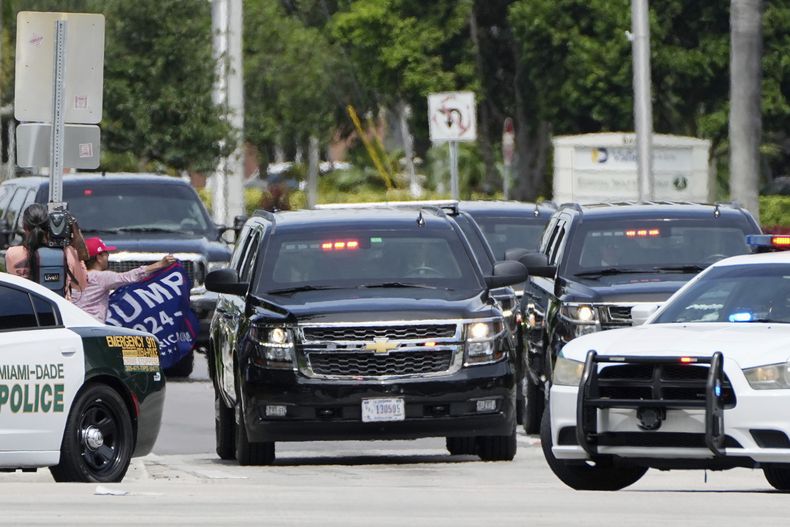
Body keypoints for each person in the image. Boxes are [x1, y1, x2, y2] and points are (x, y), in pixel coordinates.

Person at [75, 237, 176, 323]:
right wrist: (160, 264)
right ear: (99, 257)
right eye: (106, 253)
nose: (108, 256)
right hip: (93, 326)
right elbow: (128, 277)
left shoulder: (73, 277)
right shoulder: (101, 277)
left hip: (74, 324)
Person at [4, 203, 88, 300]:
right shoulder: (67, 253)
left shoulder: (12, 253)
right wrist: (75, 235)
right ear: (49, 226)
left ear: (24, 226)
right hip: (56, 308)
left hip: (24, 307)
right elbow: (81, 285)